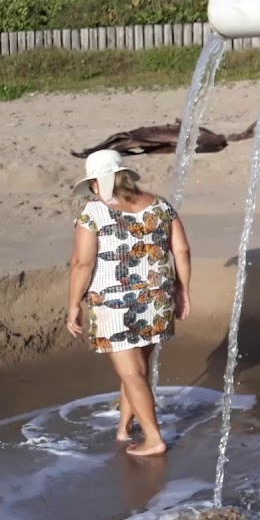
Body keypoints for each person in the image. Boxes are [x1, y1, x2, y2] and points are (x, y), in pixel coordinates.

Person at [65, 149, 192, 456]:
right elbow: (182, 250)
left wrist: (73, 306)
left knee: (130, 372)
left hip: (114, 305)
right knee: (137, 368)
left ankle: (153, 439)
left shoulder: (93, 213)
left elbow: (82, 263)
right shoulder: (160, 205)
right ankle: (125, 428)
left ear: (97, 183)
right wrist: (183, 291)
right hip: (156, 298)